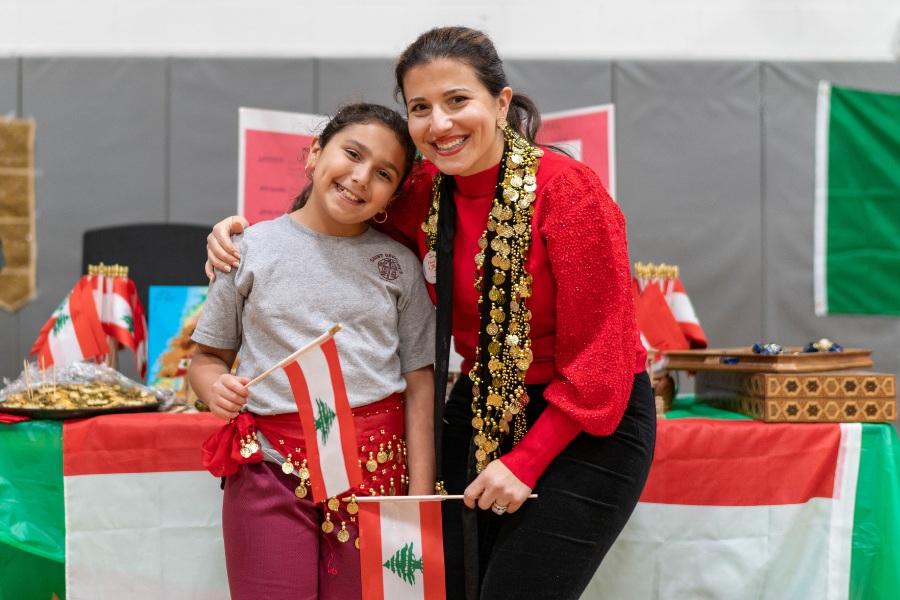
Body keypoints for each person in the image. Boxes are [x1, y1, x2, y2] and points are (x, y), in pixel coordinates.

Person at [206, 27, 656, 600]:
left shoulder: (568, 192)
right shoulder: (419, 192)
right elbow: (330, 214)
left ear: (501, 102)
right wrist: (239, 234)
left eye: (457, 101)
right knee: (450, 587)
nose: (439, 124)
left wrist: (526, 462)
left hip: (588, 420)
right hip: (483, 400)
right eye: (421, 108)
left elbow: (604, 357)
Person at [190, 102, 436, 600]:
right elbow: (206, 359)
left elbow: (420, 384)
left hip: (378, 473)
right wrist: (213, 388)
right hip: (271, 471)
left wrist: (421, 496)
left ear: (392, 194)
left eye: (384, 173)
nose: (361, 177)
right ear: (314, 153)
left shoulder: (400, 265)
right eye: (352, 153)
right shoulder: (246, 249)